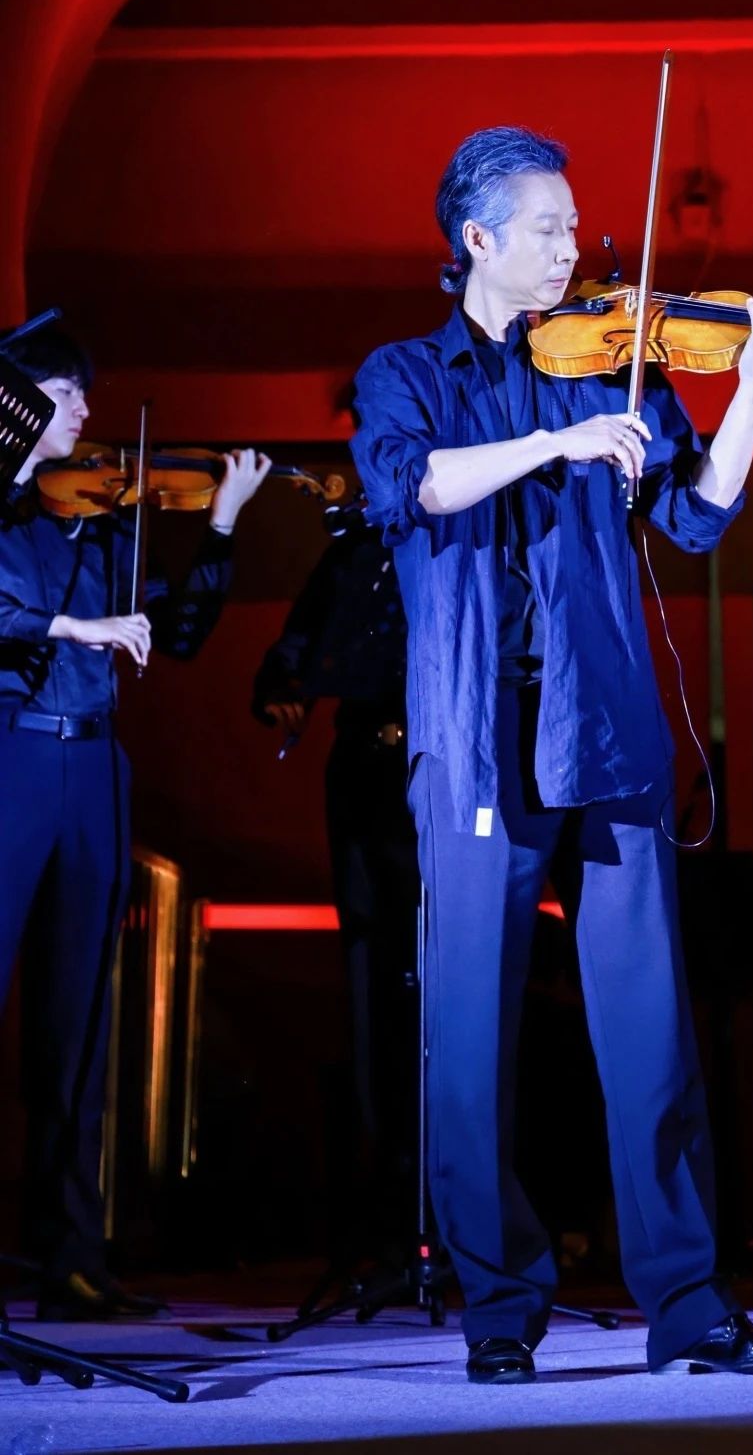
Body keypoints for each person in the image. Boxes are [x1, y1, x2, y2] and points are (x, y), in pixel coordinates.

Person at [351, 125, 753, 1382]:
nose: (575, 247)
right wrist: (554, 446)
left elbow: (695, 516)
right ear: (478, 239)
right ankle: (499, 1310)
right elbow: (413, 487)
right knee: (470, 1039)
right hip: (475, 736)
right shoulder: (404, 373)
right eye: (549, 228)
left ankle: (690, 1306)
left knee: (650, 1028)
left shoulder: (612, 362)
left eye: (576, 226)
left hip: (603, 727)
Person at [0, 326, 270, 1318]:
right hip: (13, 755)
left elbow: (181, 634)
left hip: (92, 764)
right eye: (63, 393)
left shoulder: (108, 527)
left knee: (81, 1021)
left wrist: (223, 526)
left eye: (83, 393)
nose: (83, 410)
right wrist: (69, 625)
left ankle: (71, 1258)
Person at [252, 498, 421, 1271]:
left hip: (439, 772)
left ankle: (447, 1207)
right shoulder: (356, 548)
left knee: (438, 982)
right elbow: (298, 638)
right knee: (370, 978)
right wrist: (281, 682)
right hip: (364, 767)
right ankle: (385, 1210)